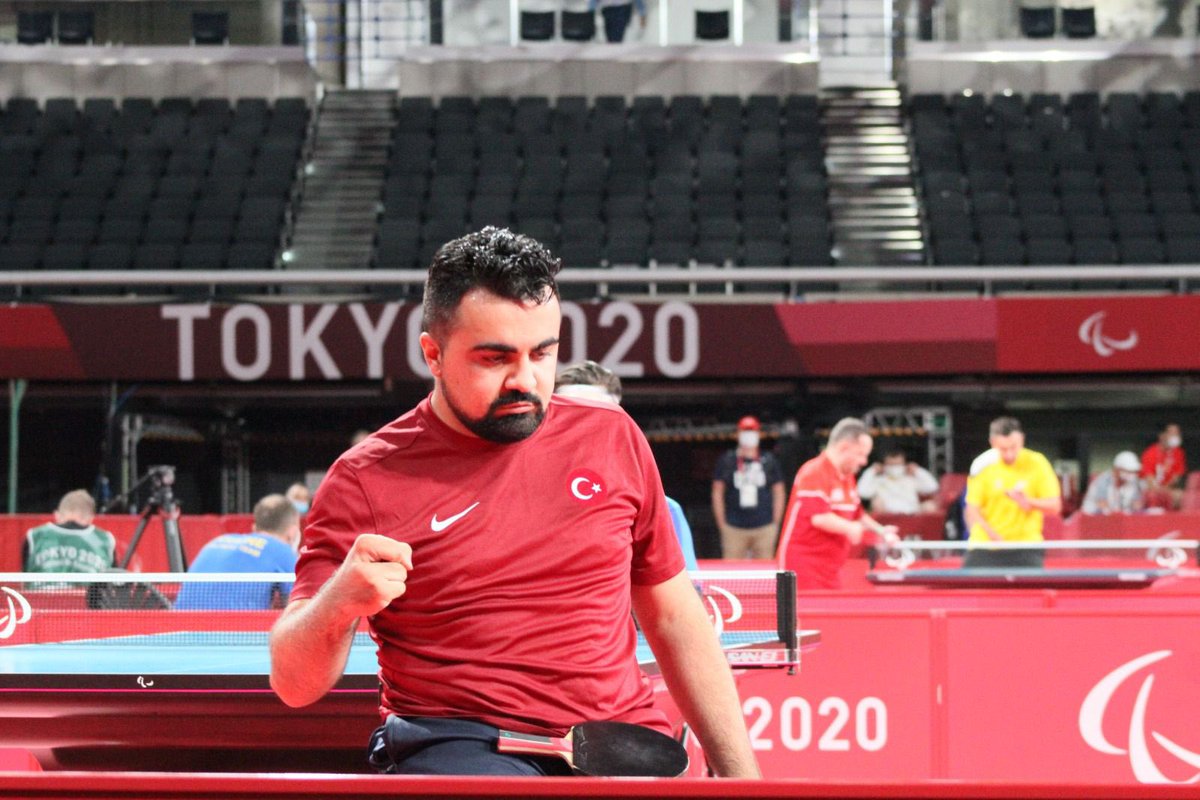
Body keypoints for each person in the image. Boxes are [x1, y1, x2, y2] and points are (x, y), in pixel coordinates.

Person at [268, 227, 758, 778]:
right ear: (432, 353)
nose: (524, 380)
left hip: (616, 742)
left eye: (542, 353)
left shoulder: (611, 437)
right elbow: (294, 684)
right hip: (464, 745)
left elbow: (673, 617)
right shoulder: (365, 478)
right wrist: (338, 603)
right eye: (494, 358)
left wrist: (741, 776)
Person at [554, 359, 699, 571]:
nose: (581, 426)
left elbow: (686, 590)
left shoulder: (663, 510)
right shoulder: (522, 497)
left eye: (595, 414)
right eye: (569, 413)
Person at [775, 418, 900, 590]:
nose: (864, 461)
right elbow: (819, 518)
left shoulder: (847, 477)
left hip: (831, 568)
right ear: (844, 447)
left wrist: (881, 531)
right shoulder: (813, 472)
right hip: (803, 567)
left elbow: (857, 514)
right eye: (861, 454)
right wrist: (850, 528)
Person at [963, 416, 1061, 569]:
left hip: (1026, 546)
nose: (1009, 454)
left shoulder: (1038, 462)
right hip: (985, 546)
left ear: (1022, 439)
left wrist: (1029, 502)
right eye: (1003, 449)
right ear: (992, 442)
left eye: (1014, 447)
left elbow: (1054, 506)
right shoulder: (981, 465)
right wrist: (993, 536)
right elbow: (972, 510)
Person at [174, 494, 300, 610]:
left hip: (178, 626)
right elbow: (298, 609)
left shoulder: (218, 541)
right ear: (292, 533)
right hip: (235, 629)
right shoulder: (282, 551)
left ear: (254, 528)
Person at [711, 416, 786, 560]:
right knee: (732, 572)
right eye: (745, 431)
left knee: (764, 571)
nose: (749, 435)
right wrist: (722, 524)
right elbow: (717, 492)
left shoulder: (769, 460)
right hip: (734, 527)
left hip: (764, 526)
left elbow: (779, 491)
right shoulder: (727, 460)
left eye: (752, 431)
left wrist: (775, 522)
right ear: (738, 434)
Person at [22, 489, 117, 575]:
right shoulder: (106, 540)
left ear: (57, 515)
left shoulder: (35, 536)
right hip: (89, 595)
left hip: (39, 595)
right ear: (90, 518)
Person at [856, 449, 940, 515]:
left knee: (930, 506)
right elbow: (862, 492)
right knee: (876, 502)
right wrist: (871, 471)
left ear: (905, 465)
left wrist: (918, 471)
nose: (895, 468)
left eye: (898, 465)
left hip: (912, 513)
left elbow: (933, 487)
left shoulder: (911, 479)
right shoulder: (878, 480)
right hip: (888, 515)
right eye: (891, 465)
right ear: (884, 465)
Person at [1081, 451, 1145, 516]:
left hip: (1120, 520)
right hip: (1094, 518)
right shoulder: (1103, 481)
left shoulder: (1134, 483)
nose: (1131, 474)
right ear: (1116, 469)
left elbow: (1137, 505)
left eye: (1133, 471)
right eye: (1128, 471)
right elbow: (1102, 505)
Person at [1141, 422, 1186, 510]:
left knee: (1181, 496)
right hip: (1151, 489)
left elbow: (1177, 476)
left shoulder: (1178, 453)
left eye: (1177, 433)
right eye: (1172, 433)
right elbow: (1148, 478)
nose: (1175, 436)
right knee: (1152, 496)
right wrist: (1159, 490)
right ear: (1162, 435)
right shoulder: (1150, 453)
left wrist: (1165, 490)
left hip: (1168, 489)